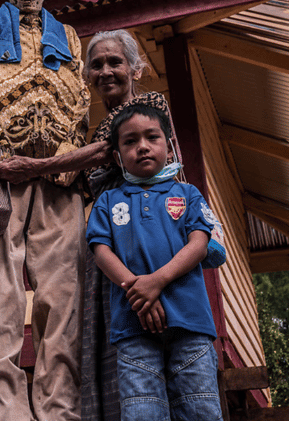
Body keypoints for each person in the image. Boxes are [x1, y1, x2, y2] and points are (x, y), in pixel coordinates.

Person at [0, 29, 154, 420]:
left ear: (136, 68)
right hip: (110, 243)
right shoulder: (91, 129)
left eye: (115, 62)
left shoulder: (149, 106)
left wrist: (35, 165)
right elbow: (77, 173)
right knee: (111, 345)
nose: (105, 71)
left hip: (150, 234)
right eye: (96, 65)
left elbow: (105, 148)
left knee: (150, 342)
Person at [0, 0, 91, 421]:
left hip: (60, 174)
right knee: (2, 296)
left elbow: (81, 101)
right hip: (3, 172)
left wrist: (69, 156)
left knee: (62, 297)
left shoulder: (69, 35)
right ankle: (5, 411)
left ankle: (59, 410)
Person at [86, 102, 222, 421]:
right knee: (142, 411)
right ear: (118, 157)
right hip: (133, 325)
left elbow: (199, 244)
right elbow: (101, 250)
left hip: (190, 322)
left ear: (169, 147)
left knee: (200, 407)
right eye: (130, 141)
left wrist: (155, 282)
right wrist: (138, 293)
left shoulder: (188, 194)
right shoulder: (107, 201)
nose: (143, 146)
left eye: (152, 137)